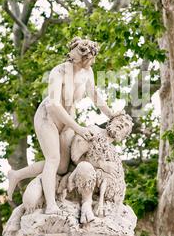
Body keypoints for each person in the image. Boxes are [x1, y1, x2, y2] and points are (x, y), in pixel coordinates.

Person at [7, 37, 122, 215]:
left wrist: (111, 114)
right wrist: (79, 129)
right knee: (53, 159)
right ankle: (51, 205)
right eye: (74, 55)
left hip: (68, 120)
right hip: (48, 117)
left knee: (62, 167)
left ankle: (16, 175)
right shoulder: (58, 72)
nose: (72, 57)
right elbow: (54, 105)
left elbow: (94, 96)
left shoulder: (87, 72)